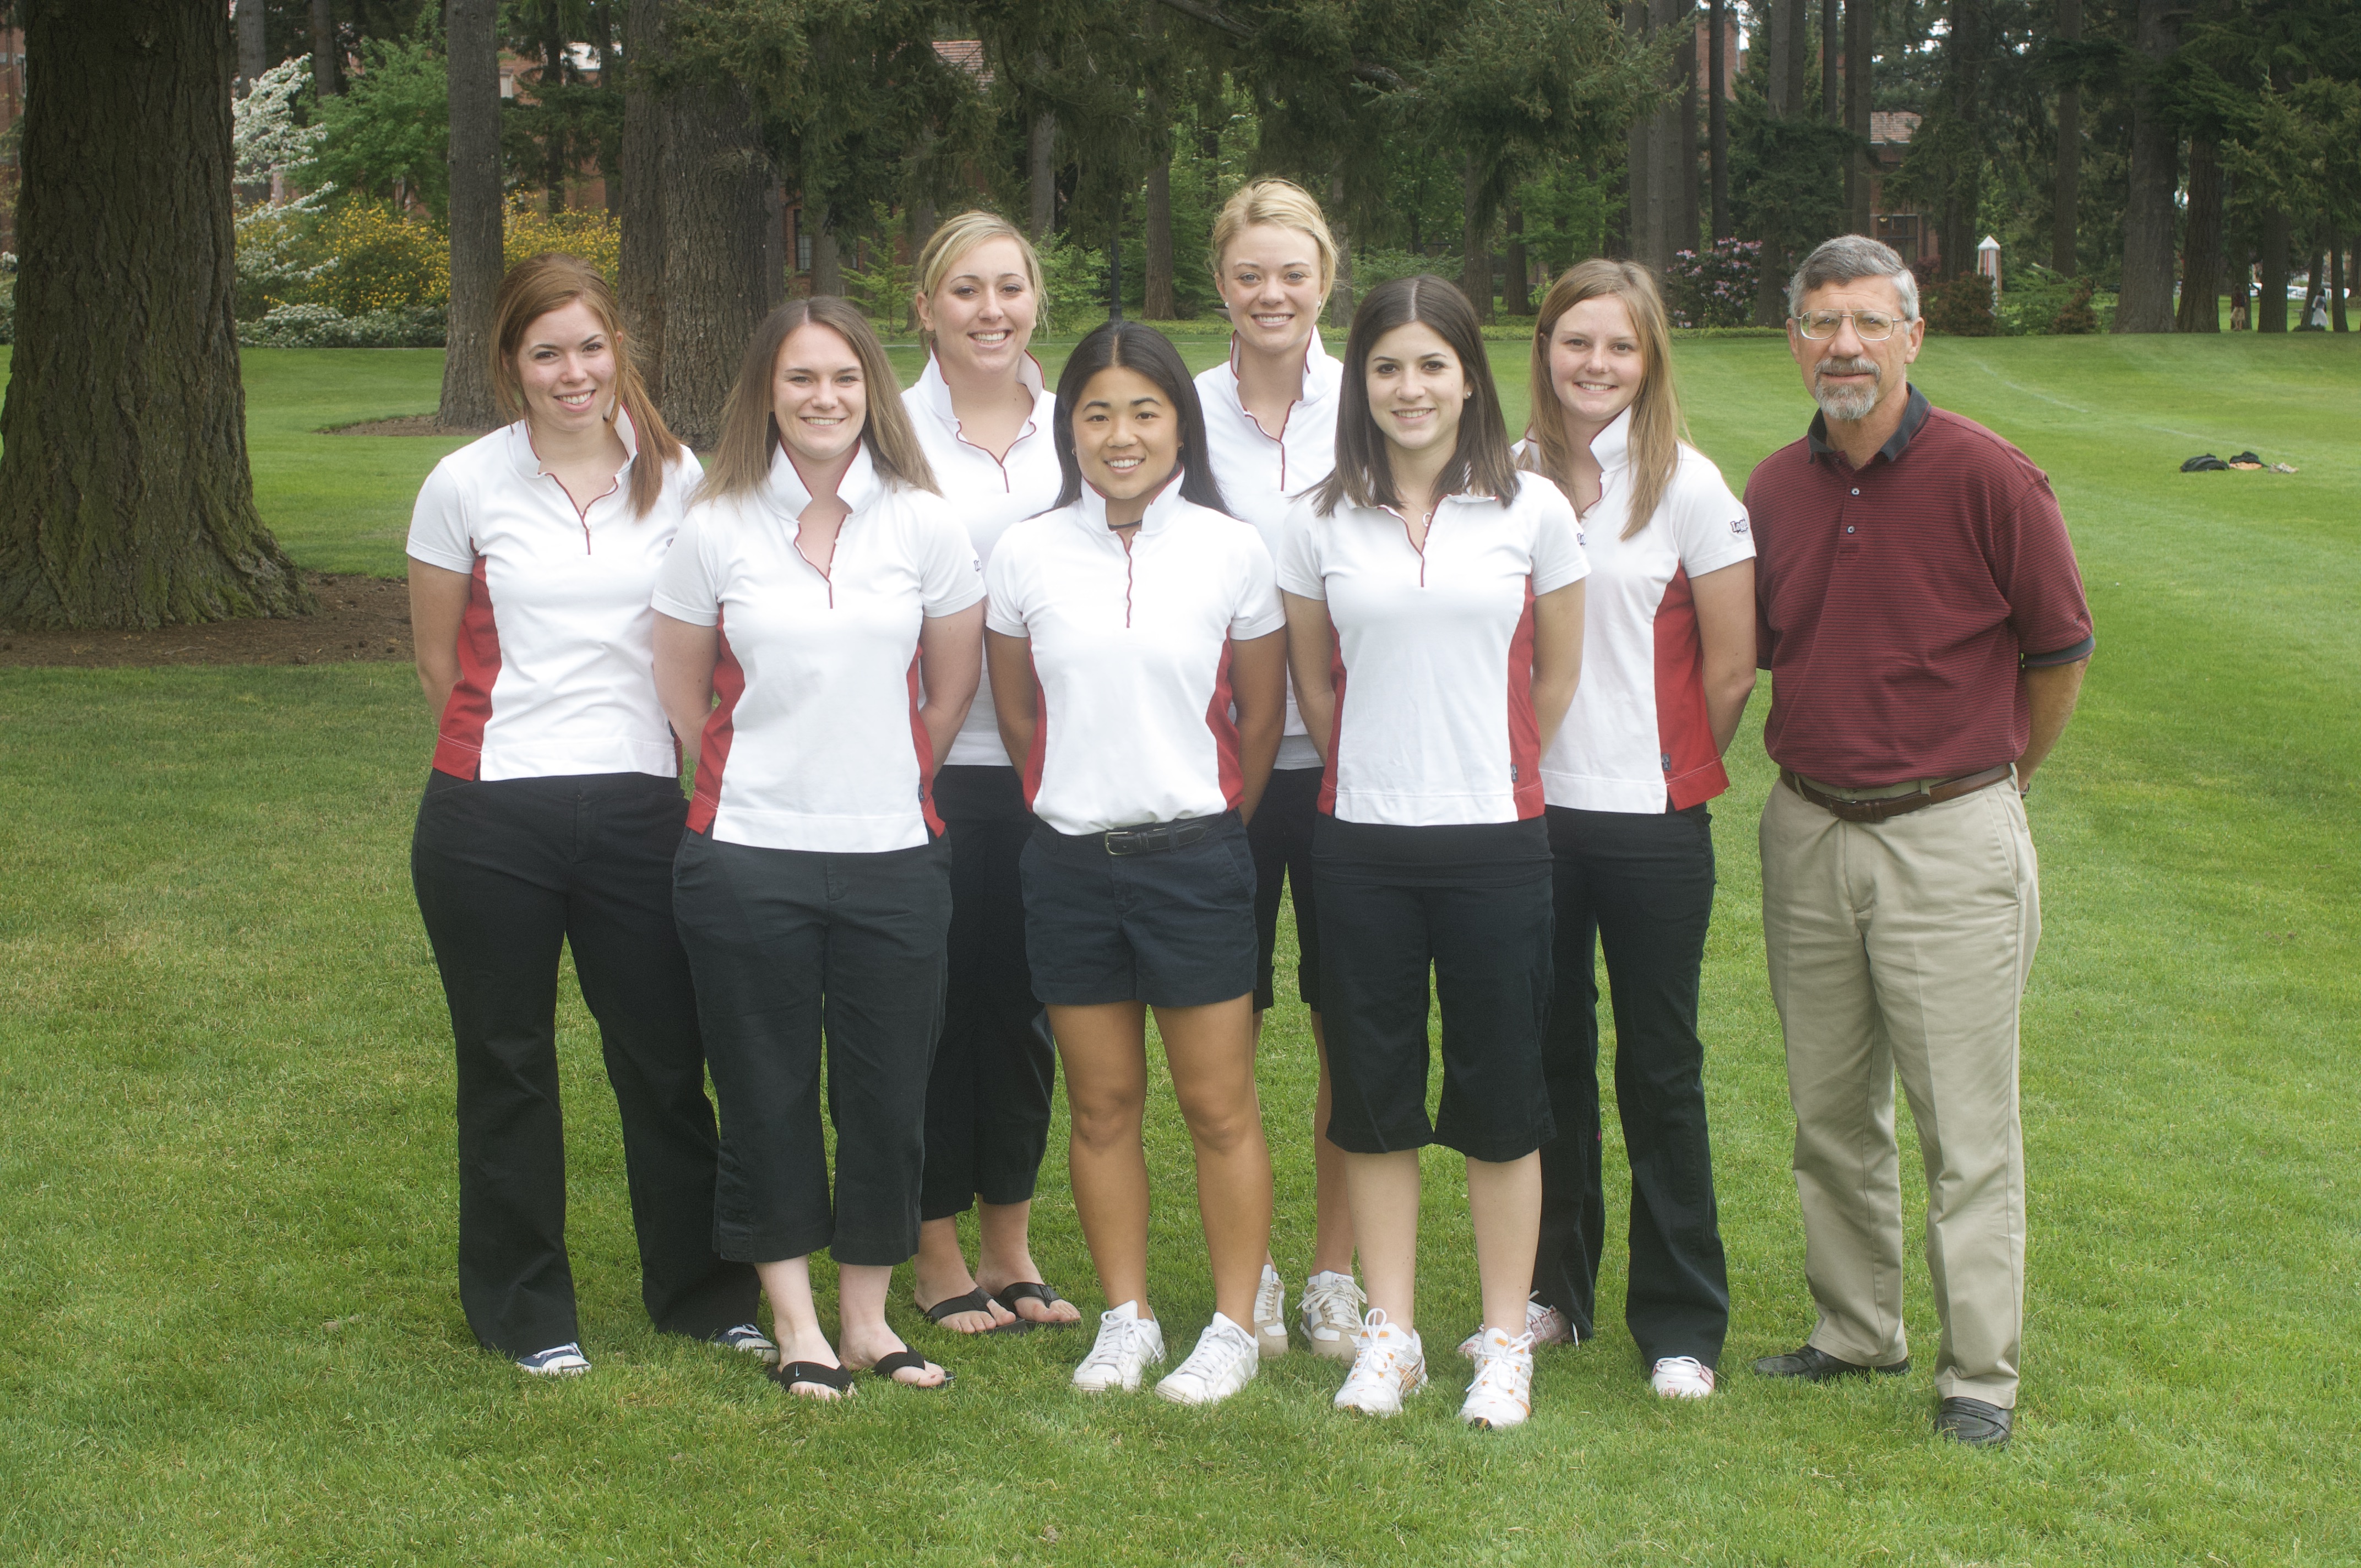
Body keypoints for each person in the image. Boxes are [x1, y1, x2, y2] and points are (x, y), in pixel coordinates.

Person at [1744, 235, 2093, 1449]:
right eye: (1818, 322)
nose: (1841, 344)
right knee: (1828, 1109)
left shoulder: (1990, 476)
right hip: (1806, 826)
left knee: (1962, 1123)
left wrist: (1990, 785)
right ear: (1793, 340)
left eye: (1864, 321)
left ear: (1910, 335)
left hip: (1946, 832)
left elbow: (2056, 654)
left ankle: (1977, 1375)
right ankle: (1854, 1329)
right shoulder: (1773, 490)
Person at [405, 252, 765, 1377]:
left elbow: (702, 647)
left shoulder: (678, 474)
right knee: (505, 1064)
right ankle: (525, 1307)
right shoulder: (463, 483)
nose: (573, 372)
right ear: (510, 362)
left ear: (622, 350)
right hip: (491, 813)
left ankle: (704, 1292)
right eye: (546, 351)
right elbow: (435, 659)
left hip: (640, 809)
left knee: (664, 1057)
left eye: (591, 347)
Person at [652, 297, 986, 1400]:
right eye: (800, 379)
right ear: (765, 393)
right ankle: (793, 1319)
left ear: (872, 391)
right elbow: (684, 687)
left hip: (894, 852)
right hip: (747, 853)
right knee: (765, 1086)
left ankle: (868, 1318)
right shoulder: (712, 525)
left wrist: (874, 777)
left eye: (843, 378)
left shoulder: (923, 525)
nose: (824, 399)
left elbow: (945, 695)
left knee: (889, 1093)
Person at [1278, 275, 1588, 1430]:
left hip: (1498, 840)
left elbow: (1552, 674)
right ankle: (1394, 1333)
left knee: (1501, 1095)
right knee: (1372, 1094)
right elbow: (1316, 684)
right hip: (1358, 843)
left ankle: (1503, 1337)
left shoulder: (1532, 512)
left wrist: (1483, 767)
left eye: (1430, 364)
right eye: (1385, 367)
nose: (1409, 388)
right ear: (1361, 386)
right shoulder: (1317, 520)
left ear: (1469, 377)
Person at [984, 320, 1288, 1406]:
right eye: (1097, 412)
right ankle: (1126, 1318)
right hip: (1069, 862)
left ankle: (1229, 1323)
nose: (1121, 434)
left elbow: (1256, 715)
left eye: (1144, 411)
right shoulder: (1024, 552)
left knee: (1218, 1104)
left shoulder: (1228, 547)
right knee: (1101, 1103)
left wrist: (1206, 817)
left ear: (1178, 424)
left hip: (1195, 859)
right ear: (1067, 426)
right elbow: (1020, 712)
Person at [1511, 259, 1757, 1402]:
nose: (1594, 365)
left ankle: (1677, 1320)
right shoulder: (1503, 479)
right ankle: (1553, 1290)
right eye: (1575, 343)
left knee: (1658, 1065)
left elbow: (1729, 660)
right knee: (1544, 1051)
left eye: (1617, 347)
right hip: (1529, 816)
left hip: (1653, 820)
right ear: (1545, 351)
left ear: (1648, 358)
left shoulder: (1690, 487)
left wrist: (1663, 766)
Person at [1190, 178, 1363, 1360]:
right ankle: (1241, 1276)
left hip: (1355, 759)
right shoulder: (1175, 408)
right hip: (1217, 763)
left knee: (1352, 1020)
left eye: (1292, 273)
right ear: (1220, 282)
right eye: (1250, 273)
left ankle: (1335, 1275)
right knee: (1226, 1025)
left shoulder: (1377, 397)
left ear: (1326, 278)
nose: (1271, 293)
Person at [901, 211, 1081, 1335]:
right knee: (921, 1005)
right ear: (924, 308)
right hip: (915, 762)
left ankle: (1009, 1242)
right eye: (964, 291)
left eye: (1009, 288)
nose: (989, 311)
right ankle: (930, 1248)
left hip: (1046, 769)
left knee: (1020, 1007)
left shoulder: (1079, 427)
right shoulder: (886, 435)